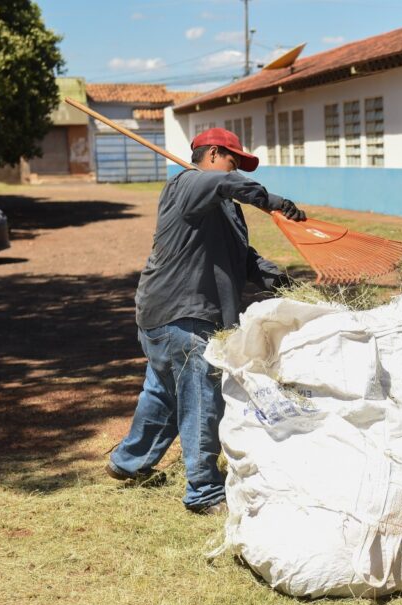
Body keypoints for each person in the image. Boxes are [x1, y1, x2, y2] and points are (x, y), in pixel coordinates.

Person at [106, 127, 306, 514]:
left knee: (164, 393)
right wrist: (275, 203)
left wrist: (279, 281)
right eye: (233, 160)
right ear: (212, 154)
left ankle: (129, 462)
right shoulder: (188, 184)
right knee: (201, 397)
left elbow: (241, 256)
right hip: (183, 313)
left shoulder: (224, 206)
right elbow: (226, 183)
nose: (235, 170)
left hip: (170, 313)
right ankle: (203, 491)